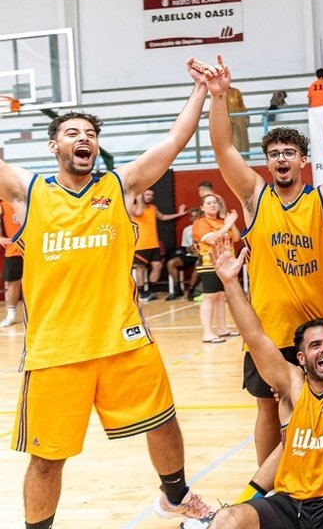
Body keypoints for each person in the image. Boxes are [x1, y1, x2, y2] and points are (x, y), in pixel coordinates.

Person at [3, 58, 219, 527]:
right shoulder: (28, 190)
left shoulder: (118, 187)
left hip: (122, 336)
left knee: (163, 420)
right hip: (56, 348)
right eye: (73, 133)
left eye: (90, 134)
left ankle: (176, 497)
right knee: (46, 459)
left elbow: (172, 143)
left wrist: (202, 91)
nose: (84, 139)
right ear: (53, 144)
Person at [207, 56, 323, 466]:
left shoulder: (320, 199)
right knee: (266, 409)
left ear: (302, 161)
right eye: (275, 153)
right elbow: (224, 147)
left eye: (290, 152)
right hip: (268, 328)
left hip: (321, 327)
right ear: (267, 161)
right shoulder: (254, 197)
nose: (281, 159)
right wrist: (218, 95)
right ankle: (269, 485)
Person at [205, 224, 323, 529]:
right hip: (287, 505)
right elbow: (255, 336)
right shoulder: (293, 387)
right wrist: (229, 282)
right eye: (316, 345)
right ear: (301, 357)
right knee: (227, 517)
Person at [192, 194, 240, 343]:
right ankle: (207, 333)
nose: (213, 205)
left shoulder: (222, 221)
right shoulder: (200, 223)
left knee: (220, 296)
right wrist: (227, 224)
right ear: (202, 207)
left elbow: (236, 238)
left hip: (225, 264)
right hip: (209, 263)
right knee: (210, 297)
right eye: (209, 203)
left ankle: (222, 329)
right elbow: (212, 239)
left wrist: (231, 223)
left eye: (215, 202)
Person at [131, 188, 187, 301]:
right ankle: (141, 293)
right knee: (140, 268)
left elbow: (162, 217)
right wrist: (138, 196)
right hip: (140, 245)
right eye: (147, 194)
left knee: (157, 266)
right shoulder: (134, 207)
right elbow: (139, 212)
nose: (150, 196)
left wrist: (179, 214)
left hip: (154, 244)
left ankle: (149, 291)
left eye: (152, 195)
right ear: (141, 195)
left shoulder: (153, 207)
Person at [166, 206, 203, 301]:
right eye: (192, 217)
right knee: (171, 263)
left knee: (198, 264)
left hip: (201, 255)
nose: (194, 219)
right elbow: (184, 247)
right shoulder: (187, 230)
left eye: (196, 216)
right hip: (190, 255)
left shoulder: (204, 228)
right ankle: (177, 288)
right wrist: (189, 248)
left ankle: (191, 289)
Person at [0, 198, 23, 327]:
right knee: (13, 282)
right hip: (13, 249)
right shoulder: (3, 205)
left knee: (35, 282)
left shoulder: (28, 201)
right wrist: (1, 239)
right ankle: (11, 314)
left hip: (33, 249)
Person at [227, 84, 251, 153]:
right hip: (226, 117)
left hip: (239, 117)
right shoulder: (218, 93)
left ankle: (243, 159)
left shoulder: (236, 91)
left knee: (242, 139)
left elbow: (242, 105)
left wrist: (247, 116)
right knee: (233, 140)